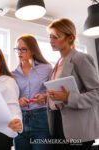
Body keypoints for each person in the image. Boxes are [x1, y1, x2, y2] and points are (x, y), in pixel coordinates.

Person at [46, 18, 99, 150]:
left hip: (78, 130)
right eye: (50, 36)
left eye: (56, 37)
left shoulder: (80, 59)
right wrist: (48, 98)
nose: (51, 40)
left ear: (71, 38)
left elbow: (96, 92)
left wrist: (68, 98)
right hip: (58, 125)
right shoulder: (57, 63)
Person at [12, 35, 53, 150]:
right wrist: (18, 100)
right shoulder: (13, 74)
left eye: (23, 49)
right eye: (17, 49)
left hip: (41, 119)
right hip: (20, 121)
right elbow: (10, 98)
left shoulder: (47, 68)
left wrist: (45, 97)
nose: (19, 52)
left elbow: (55, 91)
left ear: (33, 50)